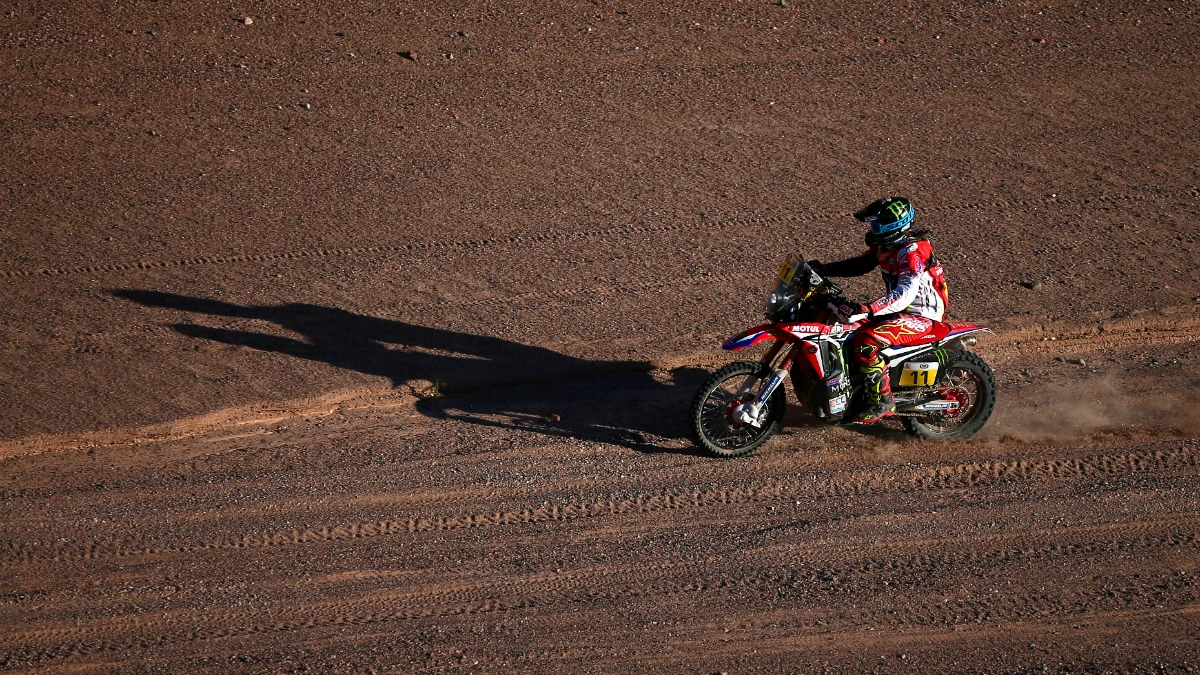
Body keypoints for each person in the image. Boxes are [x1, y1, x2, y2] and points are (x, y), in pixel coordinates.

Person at [810, 197, 950, 423]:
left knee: (867, 342)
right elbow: (860, 264)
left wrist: (868, 308)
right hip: (900, 310)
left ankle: (883, 401)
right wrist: (823, 269)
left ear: (895, 226)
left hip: (922, 315)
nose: (873, 230)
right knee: (844, 327)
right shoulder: (889, 246)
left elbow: (905, 293)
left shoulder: (911, 253)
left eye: (878, 225)